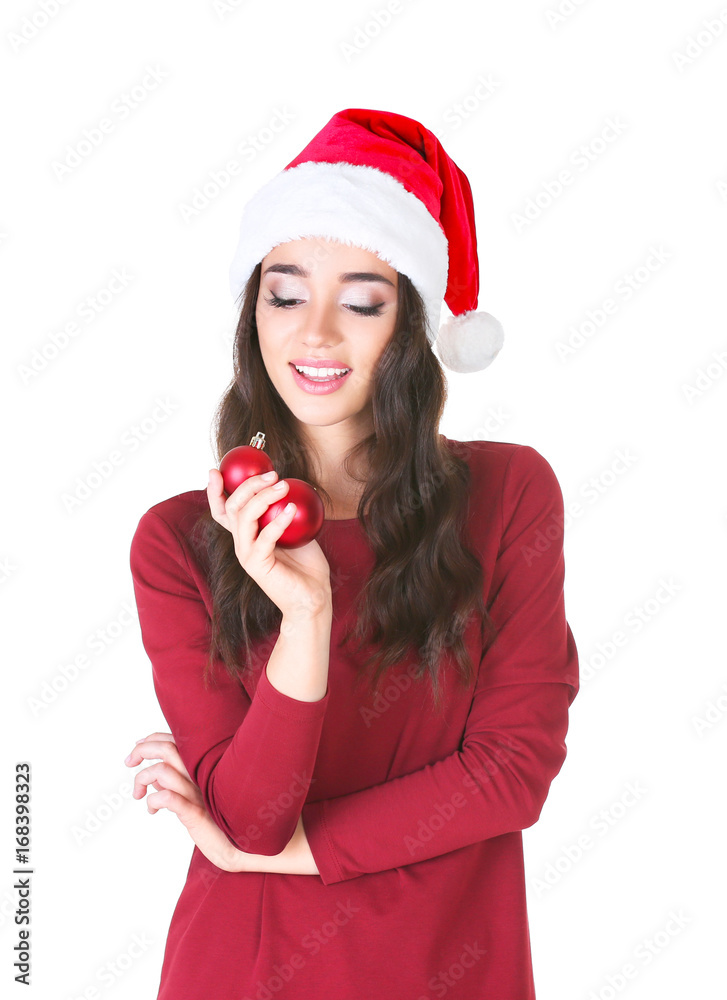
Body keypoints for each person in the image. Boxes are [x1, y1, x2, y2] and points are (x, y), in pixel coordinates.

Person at [126, 108, 579, 999]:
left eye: (362, 301)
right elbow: (250, 823)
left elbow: (510, 774)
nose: (315, 335)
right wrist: (305, 612)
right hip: (244, 969)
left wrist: (299, 850)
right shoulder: (179, 541)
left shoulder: (508, 495)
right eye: (283, 294)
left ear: (410, 325)